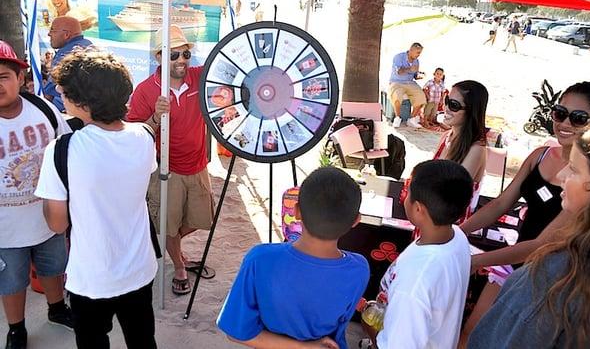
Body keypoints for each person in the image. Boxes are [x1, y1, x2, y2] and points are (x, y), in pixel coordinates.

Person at [458, 81, 590, 347]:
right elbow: (501, 203)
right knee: (472, 332)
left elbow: (540, 246)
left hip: (545, 274)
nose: (564, 122)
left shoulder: (586, 196)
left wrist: (473, 262)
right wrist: (458, 231)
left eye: (578, 117)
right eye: (559, 112)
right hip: (515, 264)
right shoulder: (540, 155)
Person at [35, 49, 158, 349]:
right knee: (143, 341)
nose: (60, 96)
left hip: (92, 275)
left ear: (83, 102)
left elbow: (56, 222)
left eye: (64, 92)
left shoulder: (63, 149)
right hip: (139, 268)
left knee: (92, 341)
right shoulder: (144, 136)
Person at [217, 167, 369, 349]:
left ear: (296, 212)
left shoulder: (260, 260)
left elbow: (236, 332)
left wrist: (302, 346)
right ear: (356, 221)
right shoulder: (359, 269)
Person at [127, 24, 215, 295]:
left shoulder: (200, 78)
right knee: (168, 224)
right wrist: (155, 117)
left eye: (185, 54)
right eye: (173, 55)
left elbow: (227, 66)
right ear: (158, 57)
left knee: (203, 218)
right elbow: (133, 134)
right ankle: (178, 264)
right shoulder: (145, 90)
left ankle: (171, 246)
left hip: (198, 165)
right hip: (165, 169)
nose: (181, 61)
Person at [0, 40, 73, 349]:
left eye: (3, 76)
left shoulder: (43, 109)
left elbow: (67, 147)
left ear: (20, 78)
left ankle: (57, 310)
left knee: (54, 268)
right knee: (12, 281)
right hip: (6, 228)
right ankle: (16, 329)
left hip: (48, 216)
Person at [363, 160, 473, 349]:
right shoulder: (457, 237)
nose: (405, 197)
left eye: (408, 193)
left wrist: (372, 331)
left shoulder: (414, 284)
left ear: (418, 209)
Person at [433, 80, 488, 215]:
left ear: (471, 111)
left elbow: (454, 195)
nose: (445, 107)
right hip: (431, 216)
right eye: (446, 100)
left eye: (454, 105)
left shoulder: (477, 149)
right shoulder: (446, 136)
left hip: (448, 225)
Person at [45, 16, 92, 112]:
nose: (49, 34)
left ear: (66, 35)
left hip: (66, 111)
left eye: (52, 30)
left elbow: (49, 93)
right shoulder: (89, 45)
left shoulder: (65, 54)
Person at [389, 43, 426, 128]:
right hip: (397, 81)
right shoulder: (398, 57)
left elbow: (415, 75)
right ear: (411, 50)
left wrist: (419, 75)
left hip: (410, 82)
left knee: (421, 97)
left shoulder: (416, 61)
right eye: (417, 52)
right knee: (397, 96)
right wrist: (409, 69)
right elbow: (398, 72)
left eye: (420, 53)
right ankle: (397, 118)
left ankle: (411, 119)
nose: (419, 55)